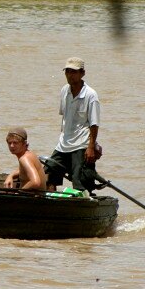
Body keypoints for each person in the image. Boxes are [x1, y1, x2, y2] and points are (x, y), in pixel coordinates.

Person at [44, 57, 103, 193]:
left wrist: (91, 147)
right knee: (49, 174)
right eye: (67, 72)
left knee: (80, 181)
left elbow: (94, 124)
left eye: (74, 72)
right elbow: (64, 117)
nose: (70, 75)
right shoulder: (65, 91)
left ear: (82, 73)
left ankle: (83, 205)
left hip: (81, 145)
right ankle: (51, 204)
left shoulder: (90, 95)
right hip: (63, 144)